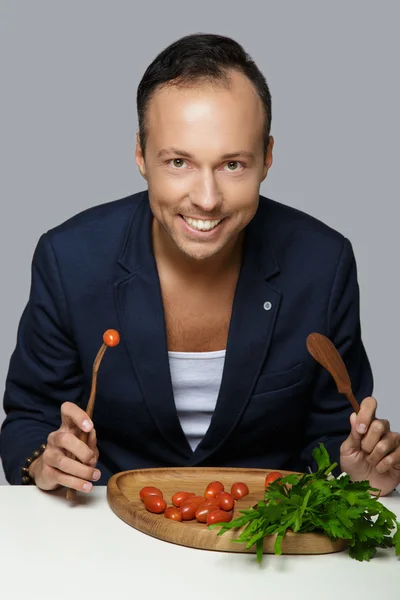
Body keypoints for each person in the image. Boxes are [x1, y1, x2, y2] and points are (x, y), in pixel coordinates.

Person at [1, 33, 399, 496]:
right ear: (140, 155)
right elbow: (28, 421)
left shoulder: (323, 264)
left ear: (267, 158)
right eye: (178, 162)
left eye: (232, 165)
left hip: (267, 540)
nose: (207, 200)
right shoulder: (68, 258)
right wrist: (45, 461)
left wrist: (358, 475)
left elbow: (332, 437)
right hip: (107, 533)